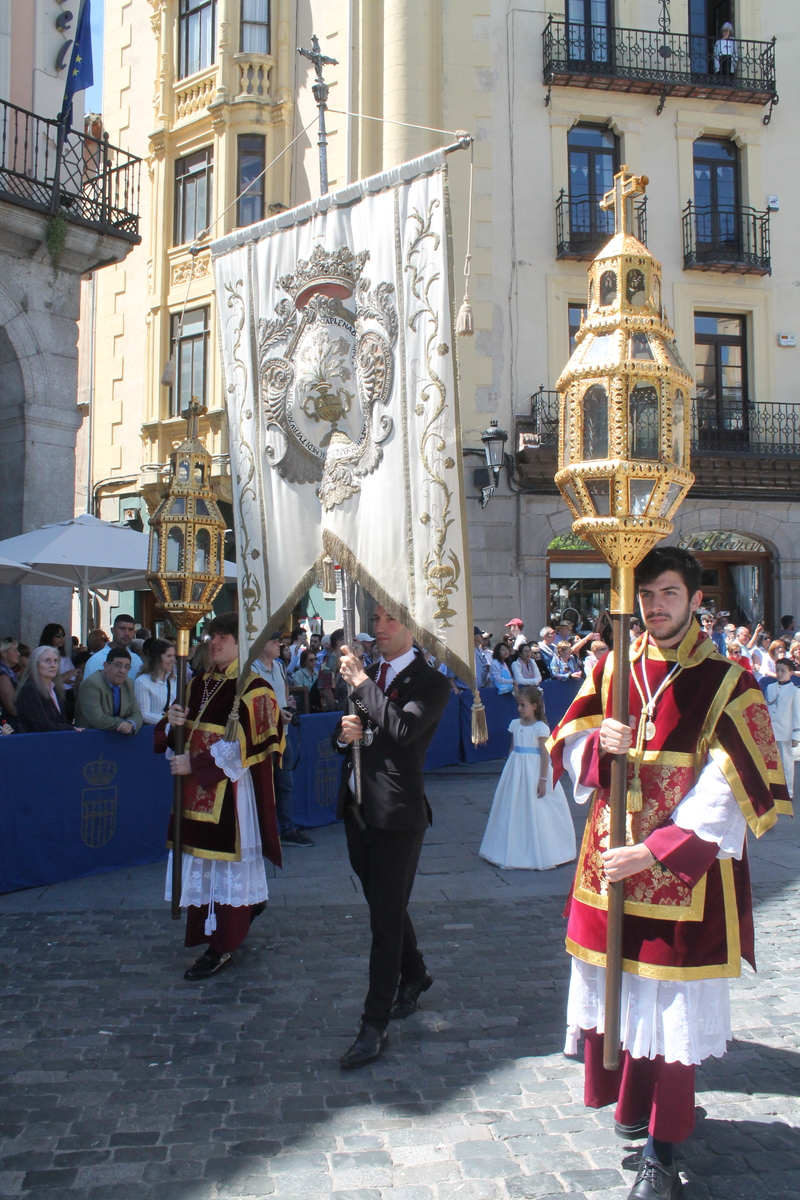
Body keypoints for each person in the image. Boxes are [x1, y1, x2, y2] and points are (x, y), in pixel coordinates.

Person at [548, 546, 790, 1200]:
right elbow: (567, 740)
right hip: (607, 867)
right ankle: (632, 1103)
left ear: (694, 600)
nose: (656, 606)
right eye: (647, 594)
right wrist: (600, 746)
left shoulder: (728, 680)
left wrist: (655, 851)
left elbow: (732, 784)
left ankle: (664, 1148)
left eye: (669, 594)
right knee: (622, 997)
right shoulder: (609, 666)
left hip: (681, 875)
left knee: (669, 1011)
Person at [334, 604, 451, 1069]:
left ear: (413, 628)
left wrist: (362, 683)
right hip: (357, 809)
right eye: (377, 620)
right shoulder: (372, 673)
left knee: (383, 922)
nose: (379, 628)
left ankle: (373, 1024)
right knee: (386, 906)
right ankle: (416, 973)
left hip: (397, 816)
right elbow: (354, 734)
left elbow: (402, 729)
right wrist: (343, 737)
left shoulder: (430, 681)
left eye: (391, 621)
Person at [158, 612, 285, 981]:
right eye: (211, 635)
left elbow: (252, 746)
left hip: (231, 794)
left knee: (227, 866)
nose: (214, 642)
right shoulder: (198, 682)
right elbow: (178, 731)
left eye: (223, 637)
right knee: (203, 866)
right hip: (195, 791)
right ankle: (236, 915)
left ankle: (223, 942)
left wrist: (196, 765)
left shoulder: (254, 688)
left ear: (242, 643)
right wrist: (172, 722)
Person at [479, 685, 575, 871]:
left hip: (534, 770)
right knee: (513, 805)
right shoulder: (516, 725)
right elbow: (512, 749)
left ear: (534, 706)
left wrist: (542, 780)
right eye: (518, 705)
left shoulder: (541, 728)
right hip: (516, 769)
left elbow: (544, 754)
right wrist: (509, 770)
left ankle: (546, 849)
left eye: (523, 705)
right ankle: (509, 848)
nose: (519, 709)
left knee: (537, 806)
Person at [254, 631, 313, 848]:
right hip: (262, 739)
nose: (280, 644)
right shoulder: (251, 669)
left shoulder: (278, 666)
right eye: (275, 640)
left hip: (283, 736)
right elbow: (251, 704)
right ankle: (264, 833)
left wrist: (286, 704)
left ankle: (287, 830)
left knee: (285, 785)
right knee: (263, 787)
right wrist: (277, 713)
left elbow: (284, 690)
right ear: (262, 644)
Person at [75, 648, 143, 734]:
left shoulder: (128, 683)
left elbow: (136, 714)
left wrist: (130, 723)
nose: (122, 671)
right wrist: (123, 724)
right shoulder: (91, 684)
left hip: (118, 739)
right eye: (118, 665)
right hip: (91, 738)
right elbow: (98, 720)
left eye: (127, 667)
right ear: (106, 666)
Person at [15, 646, 82, 733]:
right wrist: (70, 729)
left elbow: (63, 720)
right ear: (35, 664)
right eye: (47, 661)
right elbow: (41, 724)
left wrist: (75, 728)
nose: (53, 665)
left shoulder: (54, 688)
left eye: (55, 661)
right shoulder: (29, 689)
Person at [764, 659, 800, 798]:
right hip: (771, 731)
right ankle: (772, 790)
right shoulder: (770, 688)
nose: (779, 673)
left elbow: (797, 714)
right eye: (777, 670)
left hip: (785, 732)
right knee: (770, 762)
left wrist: (796, 735)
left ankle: (787, 792)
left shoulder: (795, 691)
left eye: (783, 671)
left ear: (791, 673)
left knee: (786, 764)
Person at [82, 614, 143, 681]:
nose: (127, 633)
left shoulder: (137, 660)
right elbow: (89, 689)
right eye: (122, 628)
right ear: (113, 630)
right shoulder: (97, 660)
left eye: (130, 629)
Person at [134, 639, 177, 725]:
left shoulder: (173, 679)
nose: (173, 659)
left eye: (173, 656)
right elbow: (144, 715)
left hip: (172, 731)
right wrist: (168, 720)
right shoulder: (142, 681)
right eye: (169, 656)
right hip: (154, 732)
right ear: (157, 658)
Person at [39, 623, 78, 688]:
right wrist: (66, 676)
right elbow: (47, 679)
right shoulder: (42, 655)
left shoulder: (64, 656)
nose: (61, 638)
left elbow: (73, 676)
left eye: (63, 635)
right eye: (58, 635)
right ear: (49, 636)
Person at [0, 637, 20, 728]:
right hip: (9, 726)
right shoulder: (3, 676)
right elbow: (12, 708)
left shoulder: (10, 673)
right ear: (4, 653)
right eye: (15, 650)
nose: (18, 654)